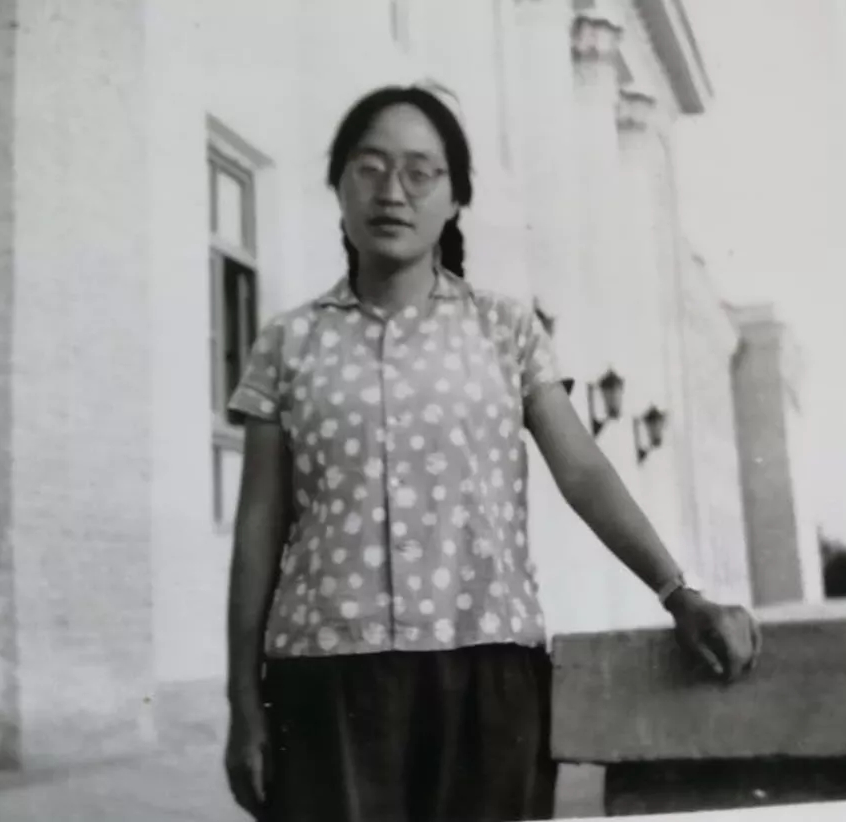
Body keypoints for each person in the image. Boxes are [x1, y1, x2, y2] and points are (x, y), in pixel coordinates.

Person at [223, 84, 760, 822]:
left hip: (486, 680)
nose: (392, 192)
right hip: (324, 685)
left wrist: (678, 593)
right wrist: (243, 702)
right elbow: (258, 527)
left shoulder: (505, 332)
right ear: (339, 187)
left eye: (420, 172)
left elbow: (584, 472)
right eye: (370, 168)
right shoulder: (288, 344)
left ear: (455, 199)